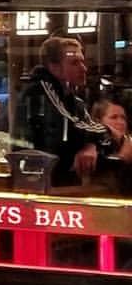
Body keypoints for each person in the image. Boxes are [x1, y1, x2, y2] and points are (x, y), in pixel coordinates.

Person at [16, 36, 111, 188]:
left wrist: (91, 145)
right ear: (54, 67)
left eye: (82, 62)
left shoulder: (74, 101)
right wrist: (108, 132)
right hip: (40, 184)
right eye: (74, 63)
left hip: (61, 183)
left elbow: (91, 129)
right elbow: (71, 128)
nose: (84, 68)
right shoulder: (40, 90)